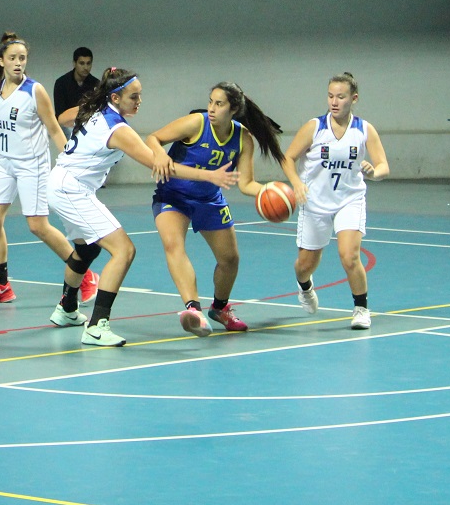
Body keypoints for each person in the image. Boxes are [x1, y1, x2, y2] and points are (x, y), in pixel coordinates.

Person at [47, 67, 239, 346]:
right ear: (115, 98)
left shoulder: (94, 110)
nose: (139, 101)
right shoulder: (118, 129)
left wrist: (86, 112)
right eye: (133, 97)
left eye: (140, 96)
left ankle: (66, 308)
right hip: (71, 189)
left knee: (87, 247)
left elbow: (63, 117)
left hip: (63, 182)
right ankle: (97, 326)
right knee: (123, 250)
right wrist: (210, 176)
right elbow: (160, 166)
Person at [145, 82, 305, 335]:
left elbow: (246, 183)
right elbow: (153, 138)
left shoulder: (243, 138)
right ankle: (193, 310)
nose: (211, 108)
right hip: (173, 195)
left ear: (233, 109)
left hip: (209, 199)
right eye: (210, 101)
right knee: (174, 245)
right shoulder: (196, 124)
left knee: (230, 259)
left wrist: (268, 191)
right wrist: (160, 154)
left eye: (219, 104)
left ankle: (219, 308)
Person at [0, 32, 96, 306]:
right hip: (4, 164)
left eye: (23, 58)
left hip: (33, 165)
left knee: (37, 226)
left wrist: (70, 163)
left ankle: (85, 273)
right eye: (13, 58)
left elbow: (54, 129)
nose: (18, 63)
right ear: (1, 61)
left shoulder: (34, 91)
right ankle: (1, 285)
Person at [289, 73, 390, 330]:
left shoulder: (364, 129)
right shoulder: (315, 127)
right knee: (304, 265)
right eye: (331, 96)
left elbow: (383, 167)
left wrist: (373, 173)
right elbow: (287, 158)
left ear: (353, 99)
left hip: (350, 199)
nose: (334, 102)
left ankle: (361, 308)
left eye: (341, 97)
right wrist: (297, 184)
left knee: (349, 256)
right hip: (314, 202)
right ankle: (305, 286)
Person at [54, 47, 97, 115]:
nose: (86, 67)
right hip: (66, 123)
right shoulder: (61, 83)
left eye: (88, 63)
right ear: (74, 63)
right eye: (82, 63)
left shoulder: (96, 84)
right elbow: (60, 113)